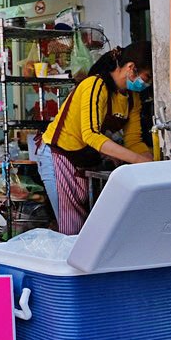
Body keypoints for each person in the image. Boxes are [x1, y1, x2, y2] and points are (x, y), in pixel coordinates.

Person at [42, 42, 153, 234]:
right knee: (72, 230)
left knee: (89, 229)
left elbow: (134, 140)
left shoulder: (132, 99)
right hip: (59, 155)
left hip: (84, 159)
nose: (147, 83)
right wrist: (138, 160)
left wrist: (151, 161)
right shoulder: (95, 85)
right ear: (131, 68)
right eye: (147, 77)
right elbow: (91, 135)